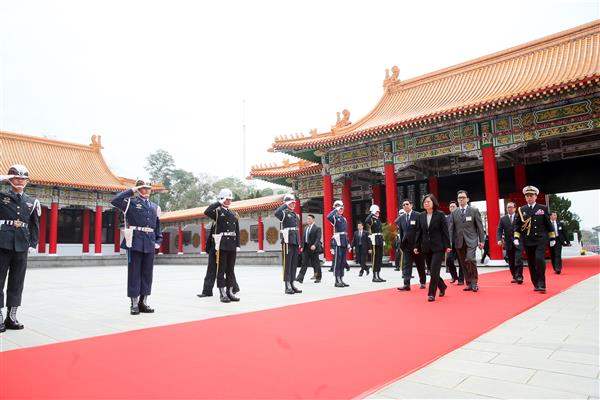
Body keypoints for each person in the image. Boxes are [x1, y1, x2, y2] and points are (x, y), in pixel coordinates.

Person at [111, 179, 163, 314]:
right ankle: (134, 304)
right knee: (134, 273)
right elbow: (115, 200)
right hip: (135, 241)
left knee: (147, 274)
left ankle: (143, 302)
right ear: (138, 189)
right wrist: (132, 190)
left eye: (148, 188)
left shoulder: (154, 207)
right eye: (143, 188)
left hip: (150, 241)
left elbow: (157, 225)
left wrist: (158, 240)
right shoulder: (130, 202)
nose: (146, 190)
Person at [0, 165, 40, 332]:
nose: (20, 182)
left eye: (23, 179)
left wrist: (33, 244)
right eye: (16, 179)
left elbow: (34, 225)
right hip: (2, 243)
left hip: (22, 245)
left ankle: (12, 316)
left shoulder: (32, 201)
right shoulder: (2, 197)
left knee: (17, 282)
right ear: (10, 180)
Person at [514, 186, 556, 293]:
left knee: (539, 259)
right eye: (527, 196)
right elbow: (517, 225)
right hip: (528, 240)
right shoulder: (521, 210)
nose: (529, 198)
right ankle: (536, 283)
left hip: (541, 239)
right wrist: (516, 237)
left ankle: (542, 284)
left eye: (531, 196)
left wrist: (552, 237)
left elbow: (548, 224)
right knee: (531, 263)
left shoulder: (543, 208)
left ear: (536, 196)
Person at [204, 188, 241, 302]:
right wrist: (218, 202)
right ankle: (222, 292)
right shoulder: (217, 212)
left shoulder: (233, 214)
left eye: (230, 199)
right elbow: (207, 211)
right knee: (221, 269)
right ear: (221, 199)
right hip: (222, 244)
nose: (228, 201)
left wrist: (237, 244)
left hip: (231, 244)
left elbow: (237, 230)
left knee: (230, 269)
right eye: (226, 199)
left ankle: (230, 292)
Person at [414, 194, 451, 302]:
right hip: (426, 247)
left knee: (434, 270)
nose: (426, 203)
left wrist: (447, 245)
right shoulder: (421, 216)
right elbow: (419, 232)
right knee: (432, 270)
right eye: (425, 202)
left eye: (428, 201)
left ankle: (431, 294)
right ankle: (442, 286)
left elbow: (445, 231)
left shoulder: (440, 215)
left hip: (438, 247)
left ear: (433, 203)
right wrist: (416, 245)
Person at [448, 190, 485, 292]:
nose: (461, 199)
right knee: (463, 263)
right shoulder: (454, 213)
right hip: (459, 242)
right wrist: (449, 243)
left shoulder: (474, 210)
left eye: (463, 197)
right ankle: (468, 283)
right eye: (459, 198)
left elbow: (480, 227)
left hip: (472, 240)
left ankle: (474, 282)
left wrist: (481, 241)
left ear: (467, 199)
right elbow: (451, 229)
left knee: (470, 259)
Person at [196, 223, 240, 298]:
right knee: (211, 269)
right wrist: (208, 247)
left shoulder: (227, 217)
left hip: (223, 246)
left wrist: (237, 245)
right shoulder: (215, 219)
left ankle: (234, 287)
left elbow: (236, 232)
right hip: (214, 247)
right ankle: (207, 291)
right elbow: (211, 234)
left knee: (226, 269)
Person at [396, 199, 426, 291]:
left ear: (411, 205)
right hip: (406, 246)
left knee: (420, 265)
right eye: (403, 205)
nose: (405, 206)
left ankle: (422, 282)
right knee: (406, 265)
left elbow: (420, 230)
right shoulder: (401, 218)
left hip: (417, 245)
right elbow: (401, 232)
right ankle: (406, 284)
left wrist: (419, 244)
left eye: (407, 204)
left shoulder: (418, 215)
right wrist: (401, 244)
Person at [275, 194, 302, 294]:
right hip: (287, 241)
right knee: (287, 263)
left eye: (293, 203)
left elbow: (297, 229)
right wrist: (285, 205)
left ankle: (292, 283)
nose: (293, 204)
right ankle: (287, 285)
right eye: (290, 203)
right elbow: (276, 212)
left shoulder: (295, 214)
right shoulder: (283, 213)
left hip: (294, 240)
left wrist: (299, 242)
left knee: (294, 263)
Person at [496, 202, 523, 284]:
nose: (509, 209)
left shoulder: (519, 217)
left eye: (511, 207)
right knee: (511, 261)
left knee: (518, 259)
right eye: (508, 207)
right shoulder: (503, 219)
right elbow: (499, 230)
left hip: (518, 241)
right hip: (508, 243)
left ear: (515, 208)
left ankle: (519, 276)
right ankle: (514, 276)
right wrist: (499, 239)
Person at [328, 200, 351, 287]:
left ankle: (341, 278)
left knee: (342, 261)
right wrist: (335, 209)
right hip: (337, 241)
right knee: (338, 261)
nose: (341, 209)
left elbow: (345, 232)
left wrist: (348, 243)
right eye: (339, 208)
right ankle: (337, 279)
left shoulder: (344, 218)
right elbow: (328, 216)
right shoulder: (334, 218)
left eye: (342, 208)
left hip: (344, 240)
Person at [296, 214, 322, 283]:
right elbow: (303, 238)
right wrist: (302, 246)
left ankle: (318, 277)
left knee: (316, 263)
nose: (308, 220)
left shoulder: (317, 228)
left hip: (313, 248)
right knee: (304, 263)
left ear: (313, 220)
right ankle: (300, 278)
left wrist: (315, 245)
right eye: (307, 219)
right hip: (306, 248)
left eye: (309, 219)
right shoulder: (306, 228)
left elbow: (318, 238)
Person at [365, 204, 386, 282]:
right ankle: (374, 276)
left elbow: (381, 231)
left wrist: (383, 240)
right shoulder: (371, 219)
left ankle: (378, 274)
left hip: (380, 239)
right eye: (376, 211)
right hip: (374, 239)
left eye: (378, 211)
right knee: (375, 258)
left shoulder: (378, 220)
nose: (378, 213)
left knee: (379, 258)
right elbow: (366, 221)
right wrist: (371, 213)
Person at [445, 201, 464, 284]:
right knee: (449, 260)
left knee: (461, 262)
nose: (452, 208)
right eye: (450, 207)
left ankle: (461, 279)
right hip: (450, 243)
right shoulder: (446, 218)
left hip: (460, 242)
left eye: (453, 206)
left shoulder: (461, 217)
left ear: (457, 208)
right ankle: (454, 276)